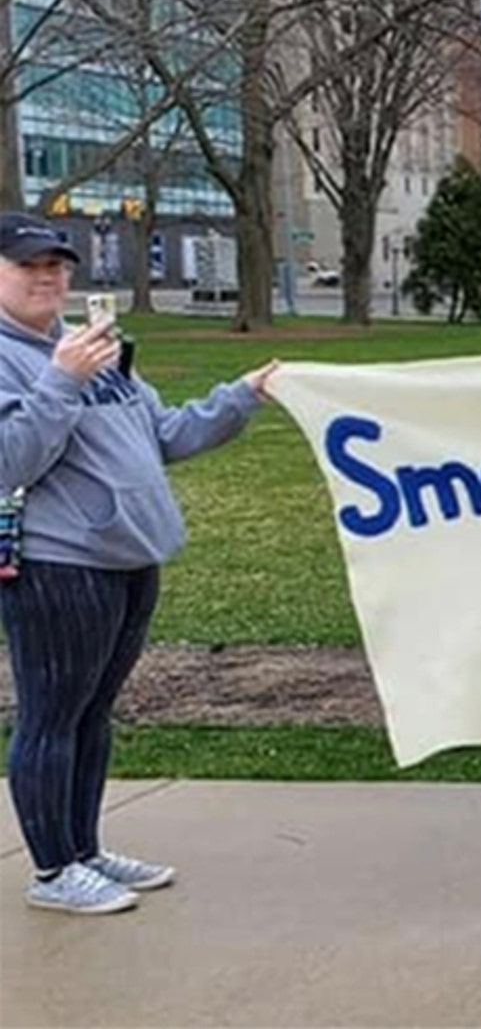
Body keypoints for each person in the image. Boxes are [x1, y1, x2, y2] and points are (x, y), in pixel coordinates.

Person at [0, 212, 278, 913]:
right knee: (51, 717)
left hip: (129, 556)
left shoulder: (92, 346)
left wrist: (242, 395)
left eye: (56, 265)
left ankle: (83, 851)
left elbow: (165, 434)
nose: (47, 277)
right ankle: (53, 871)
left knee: (92, 714)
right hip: (57, 564)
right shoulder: (35, 360)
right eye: (28, 265)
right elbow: (9, 463)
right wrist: (60, 382)